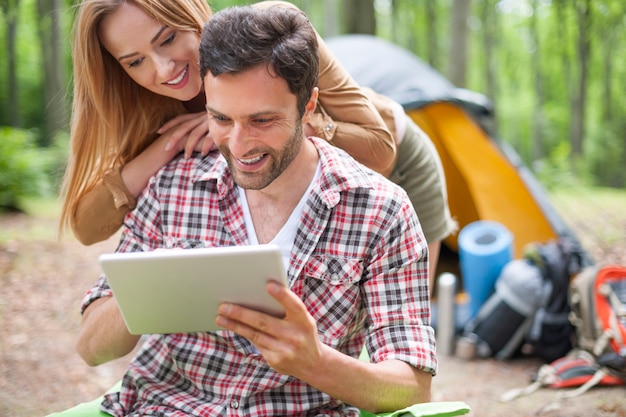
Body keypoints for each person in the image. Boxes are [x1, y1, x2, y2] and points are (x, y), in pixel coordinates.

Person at [75, 5, 436, 416]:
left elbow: (412, 386)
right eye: (220, 118)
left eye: (262, 119)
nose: (240, 144)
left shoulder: (381, 210)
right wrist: (152, 286)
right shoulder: (172, 187)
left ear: (308, 106)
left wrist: (315, 362)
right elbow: (90, 347)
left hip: (400, 154)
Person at [59, 0, 455, 285]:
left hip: (398, 163)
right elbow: (87, 227)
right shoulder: (147, 107)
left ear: (191, 13)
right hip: (298, 189)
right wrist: (163, 149)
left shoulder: (275, 31)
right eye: (134, 61)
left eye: (167, 39)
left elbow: (379, 149)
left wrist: (244, 122)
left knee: (398, 334)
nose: (162, 69)